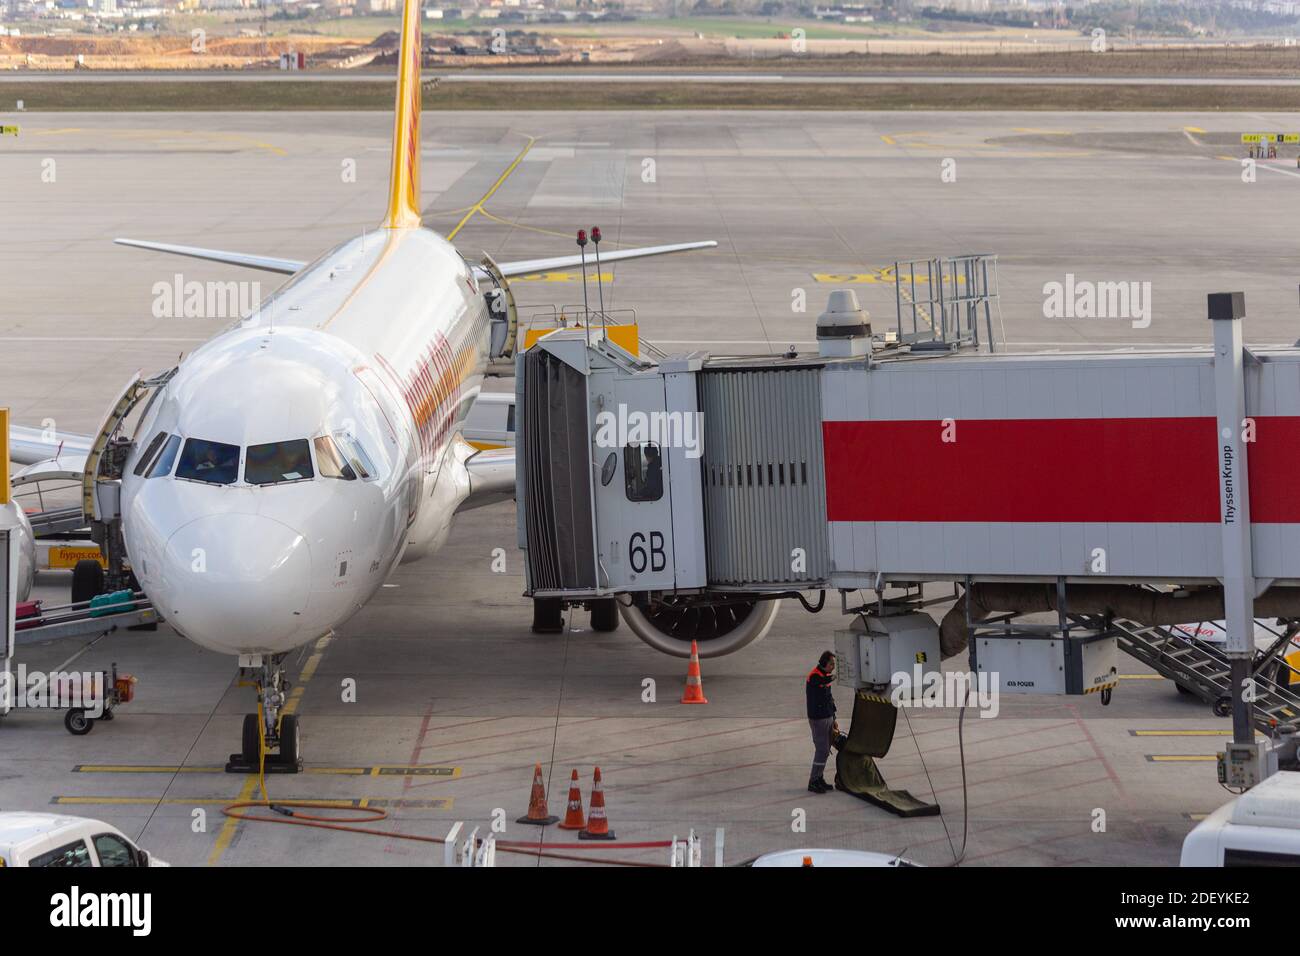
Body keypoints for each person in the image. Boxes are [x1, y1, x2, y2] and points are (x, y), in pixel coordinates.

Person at [805, 650, 837, 793]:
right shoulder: (815, 676)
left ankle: (819, 778)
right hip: (818, 718)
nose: (833, 667)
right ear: (824, 663)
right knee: (821, 750)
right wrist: (838, 676)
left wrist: (834, 718)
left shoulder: (825, 676)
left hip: (827, 716)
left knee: (825, 751)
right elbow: (822, 681)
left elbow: (829, 698)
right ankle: (813, 781)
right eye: (831, 664)